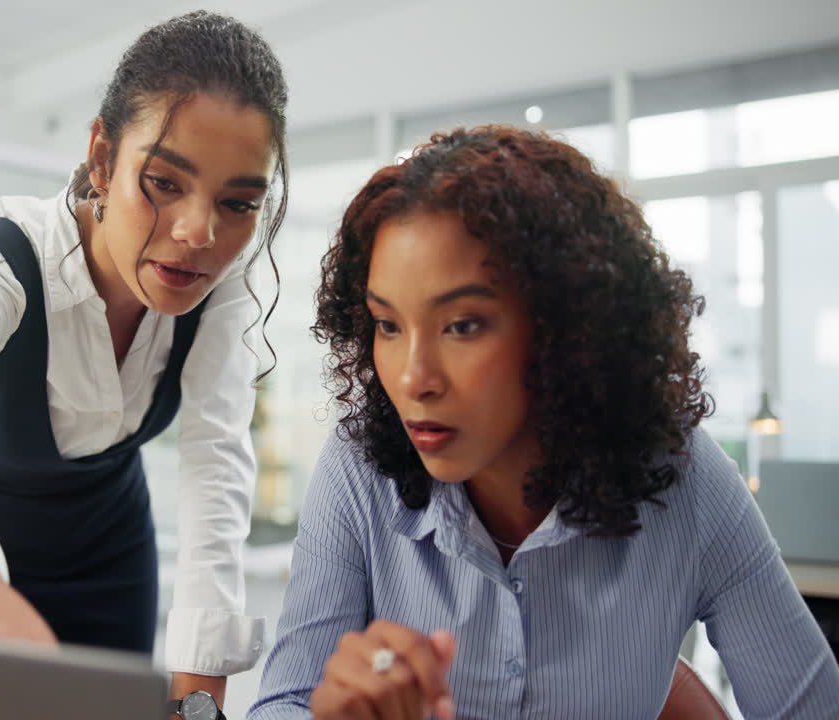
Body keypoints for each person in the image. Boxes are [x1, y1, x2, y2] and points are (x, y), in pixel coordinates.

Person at [250, 125, 839, 719]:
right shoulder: (359, 468)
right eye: (389, 325)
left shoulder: (685, 479)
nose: (412, 378)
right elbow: (281, 706)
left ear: (568, 327)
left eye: (462, 325)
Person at [0, 11, 288, 715]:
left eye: (238, 202)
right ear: (101, 157)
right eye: (164, 182)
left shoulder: (225, 284)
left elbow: (216, 470)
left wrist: (199, 700)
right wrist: (22, 655)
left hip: (111, 560)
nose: (199, 234)